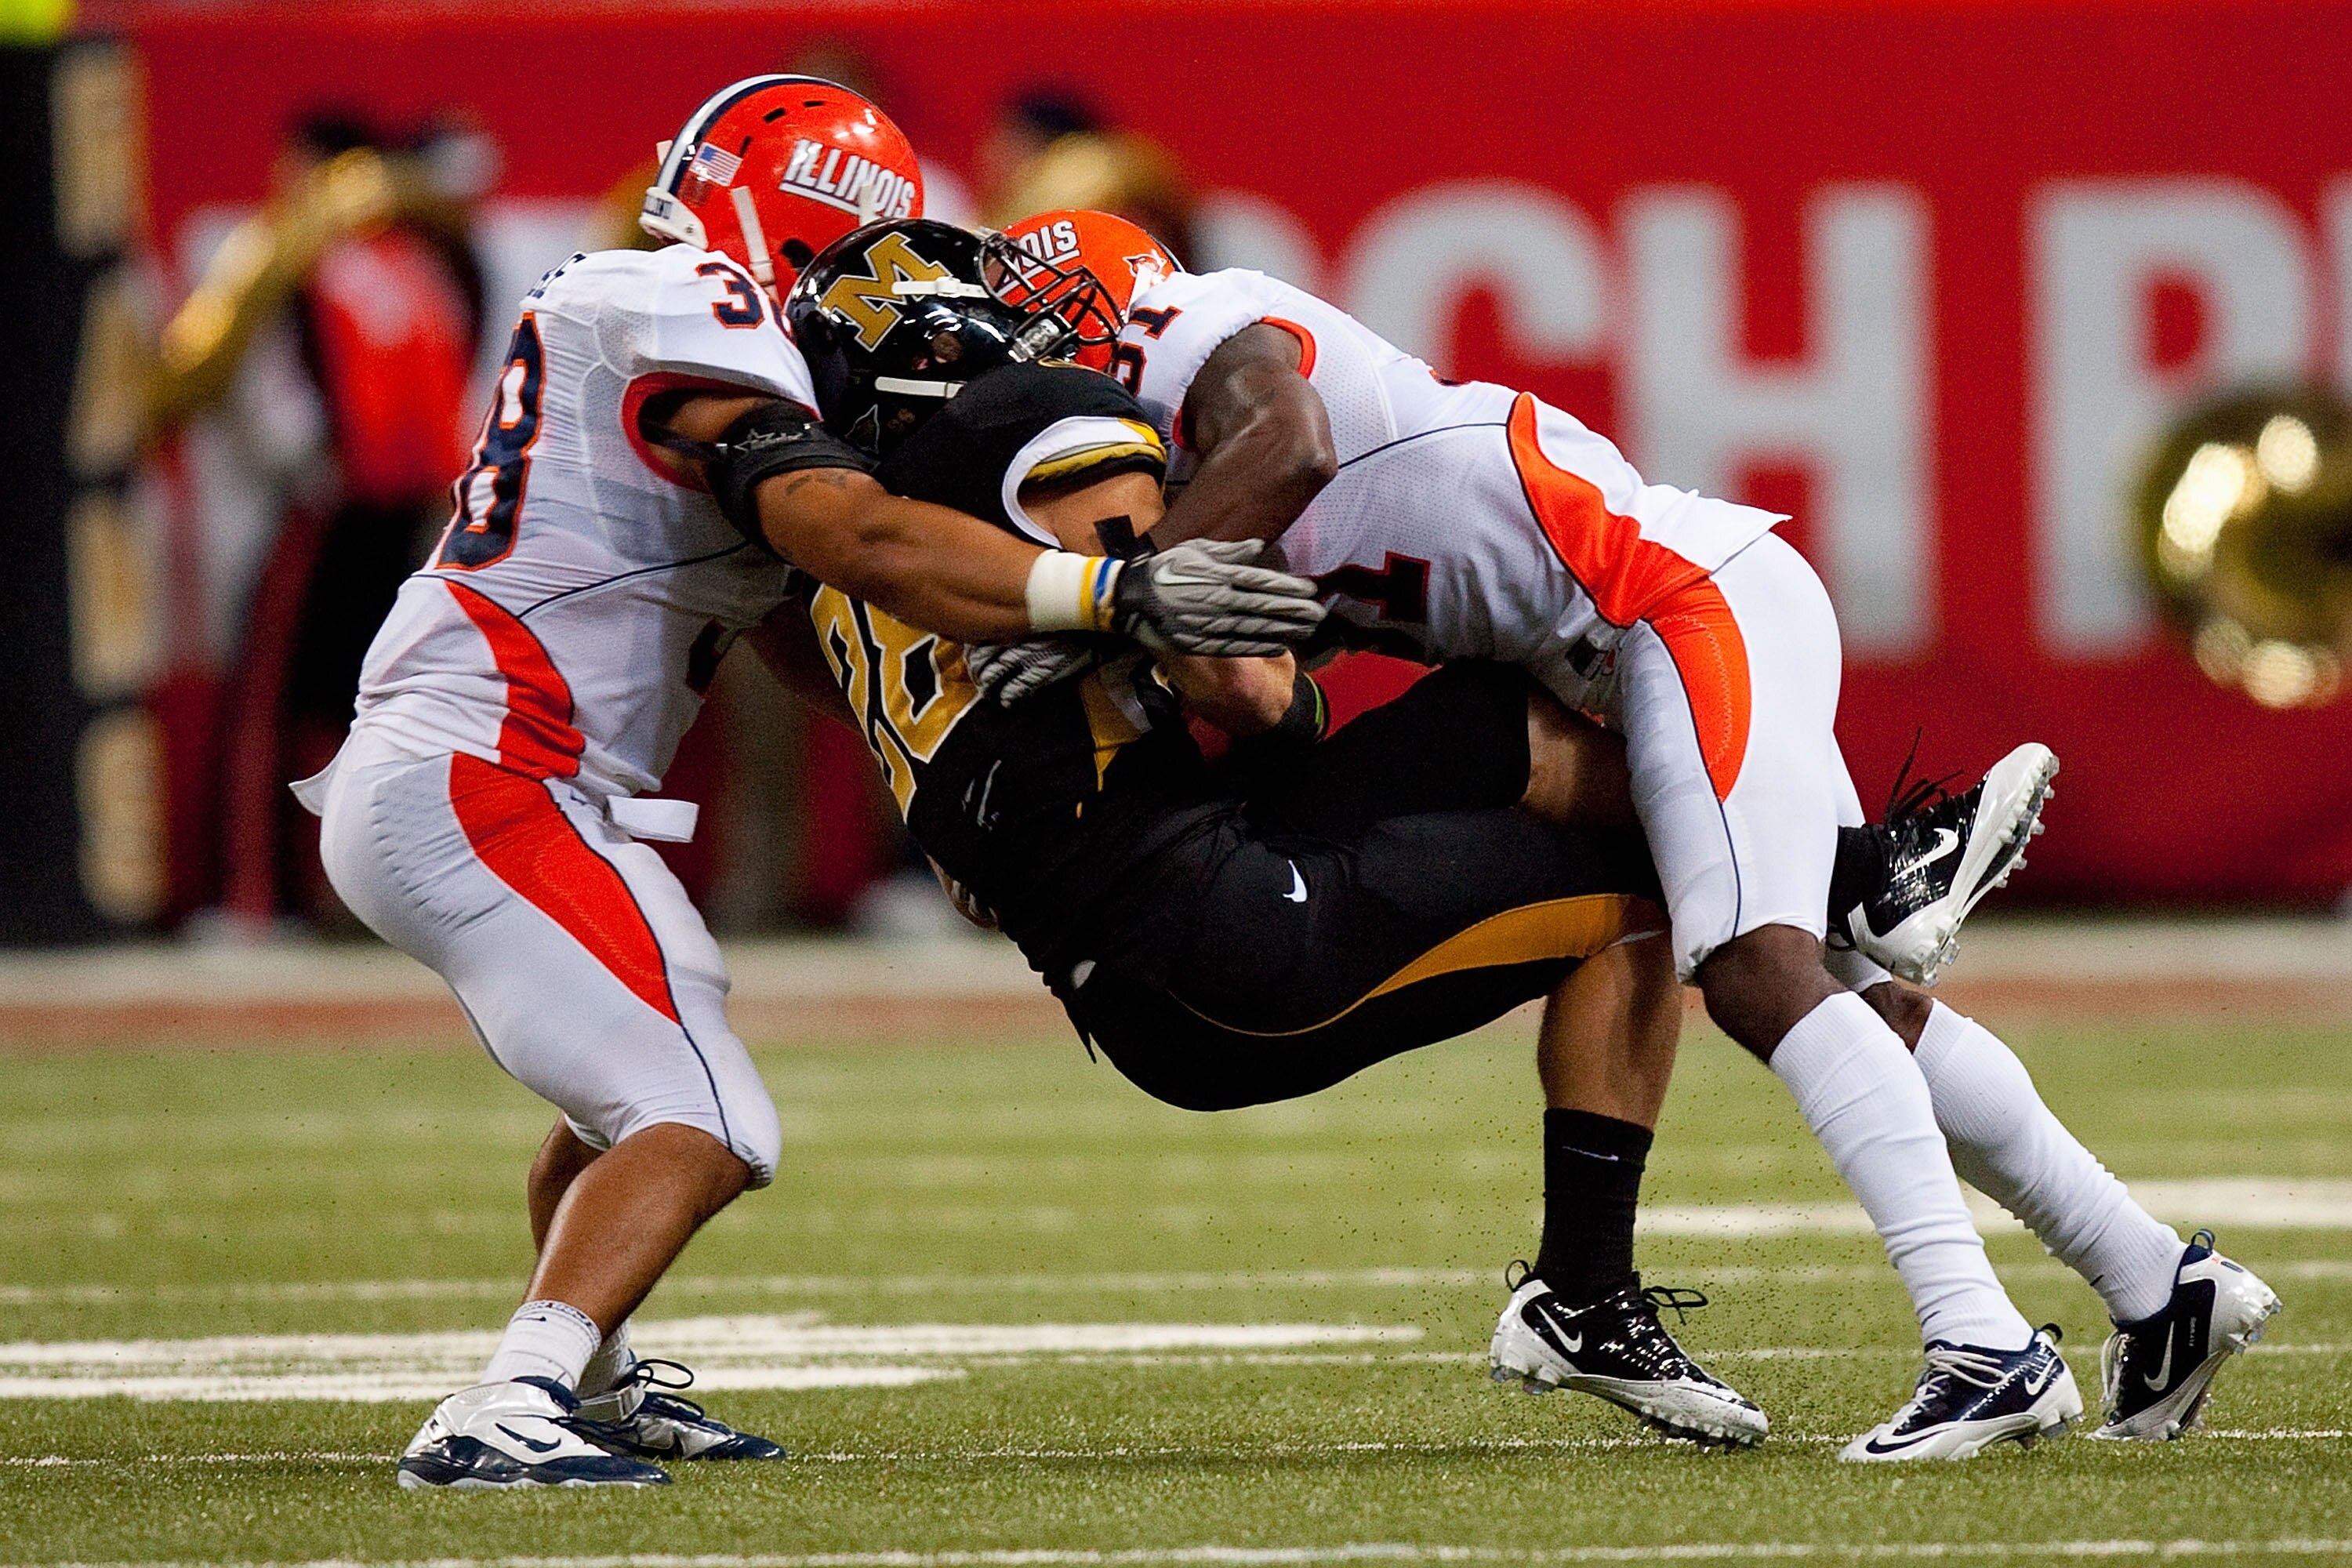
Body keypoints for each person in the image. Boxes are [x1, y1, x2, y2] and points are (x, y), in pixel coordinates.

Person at [731, 218, 2078, 1450]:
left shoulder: (865, 566)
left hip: (1132, 938)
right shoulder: (1044, 426)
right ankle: (1849, 906)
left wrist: (1165, 670)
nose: (1032, 331)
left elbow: (980, 811)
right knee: (1696, 901)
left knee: (1518, 742)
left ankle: (2126, 1267)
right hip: (1223, 927)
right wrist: (1159, 630)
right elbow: (1235, 682)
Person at [989, 209, 2282, 1459]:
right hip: (1629, 650)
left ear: (1090, 320)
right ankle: (2154, 1279)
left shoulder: (1203, 336)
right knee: (1851, 992)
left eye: (1027, 347)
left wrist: (1106, 605)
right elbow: (1269, 657)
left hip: (1669, 609)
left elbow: (1293, 443)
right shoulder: (1189, 430)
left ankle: (1981, 1348)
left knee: (1758, 976)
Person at [293, 79, 1325, 1492]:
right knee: (708, 1115)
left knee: (633, 1081)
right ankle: (506, 1402)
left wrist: (965, 763)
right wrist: (1108, 591)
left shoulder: (671, 325)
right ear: (823, 219)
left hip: (504, 776)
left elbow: (805, 645)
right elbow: (845, 532)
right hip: (485, 765)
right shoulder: (685, 300)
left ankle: (588, 1376)